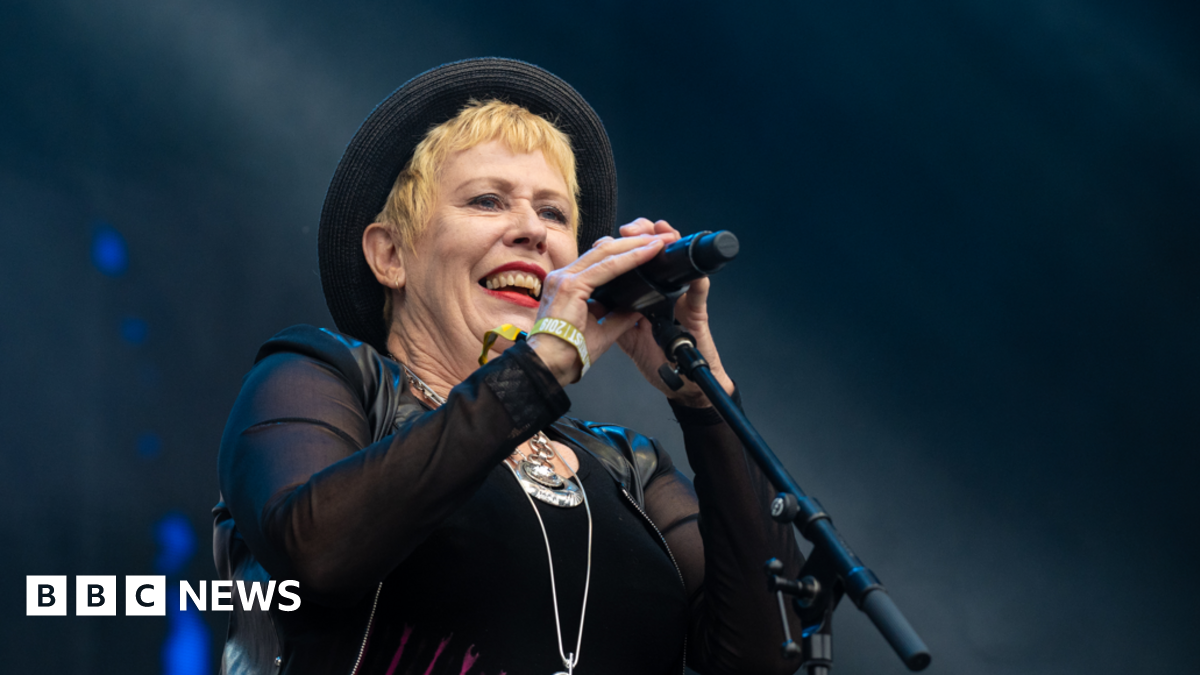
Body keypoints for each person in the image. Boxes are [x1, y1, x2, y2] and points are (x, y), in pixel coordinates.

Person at [213, 58, 803, 675]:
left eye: (554, 214)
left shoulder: (629, 468)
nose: (531, 231)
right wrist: (541, 363)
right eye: (488, 201)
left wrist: (705, 403)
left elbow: (766, 657)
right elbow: (317, 549)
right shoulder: (320, 376)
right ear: (390, 255)